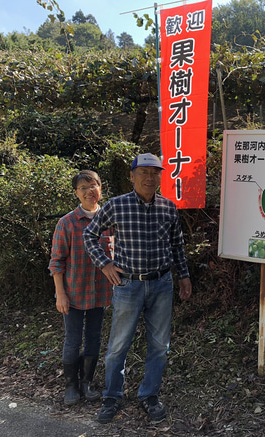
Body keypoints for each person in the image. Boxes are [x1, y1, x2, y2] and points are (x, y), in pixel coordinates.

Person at [83, 153, 192, 424]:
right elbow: (90, 235)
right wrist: (105, 265)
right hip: (127, 284)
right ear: (132, 176)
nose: (149, 177)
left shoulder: (168, 208)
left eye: (155, 172)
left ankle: (149, 395)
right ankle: (112, 397)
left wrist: (184, 277)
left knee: (159, 345)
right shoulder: (117, 205)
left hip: (162, 284)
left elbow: (177, 246)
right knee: (118, 345)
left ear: (160, 176)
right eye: (143, 172)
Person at [49, 170, 113, 406]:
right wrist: (61, 294)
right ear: (76, 192)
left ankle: (87, 382)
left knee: (95, 338)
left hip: (100, 292)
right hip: (73, 293)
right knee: (73, 339)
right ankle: (71, 386)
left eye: (94, 185)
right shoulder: (66, 223)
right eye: (84, 187)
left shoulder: (109, 221)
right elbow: (56, 261)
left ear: (100, 188)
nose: (90, 191)